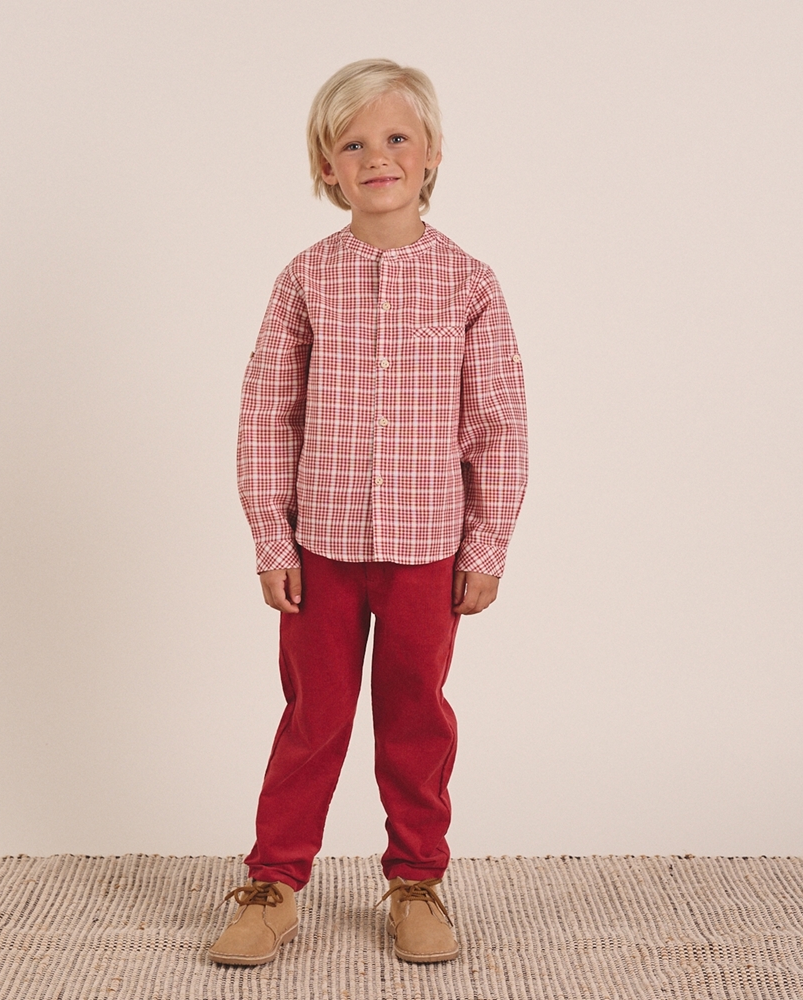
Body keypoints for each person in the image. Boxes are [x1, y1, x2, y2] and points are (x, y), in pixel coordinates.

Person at [209, 58, 528, 966]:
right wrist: (270, 534)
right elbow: (267, 406)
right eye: (352, 144)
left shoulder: (469, 282)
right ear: (327, 168)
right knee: (314, 719)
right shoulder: (306, 279)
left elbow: (498, 420)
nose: (375, 156)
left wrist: (488, 544)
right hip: (323, 548)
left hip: (430, 548)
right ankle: (274, 882)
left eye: (395, 138)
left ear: (431, 156)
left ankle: (417, 881)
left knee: (416, 714)